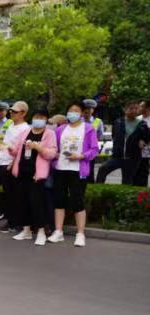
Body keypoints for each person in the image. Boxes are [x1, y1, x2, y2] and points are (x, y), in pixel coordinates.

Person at [49, 102, 99, 247]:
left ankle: (80, 234)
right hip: (60, 168)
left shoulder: (88, 129)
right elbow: (55, 147)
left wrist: (81, 156)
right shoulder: (61, 129)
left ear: (82, 113)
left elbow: (95, 149)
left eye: (76, 111)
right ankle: (58, 232)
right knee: (59, 200)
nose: (73, 113)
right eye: (70, 110)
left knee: (77, 201)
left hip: (78, 170)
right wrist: (55, 154)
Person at [8, 109, 58, 246]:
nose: (38, 119)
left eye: (41, 117)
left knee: (36, 203)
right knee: (22, 202)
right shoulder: (25, 132)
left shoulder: (49, 134)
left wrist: (38, 147)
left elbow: (52, 154)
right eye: (36, 116)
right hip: (22, 172)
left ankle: (41, 232)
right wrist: (8, 148)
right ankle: (26, 230)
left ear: (46, 119)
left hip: (37, 175)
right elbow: (16, 150)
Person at [0, 102, 31, 235]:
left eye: (15, 112)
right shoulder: (10, 125)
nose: (12, 114)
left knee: (13, 196)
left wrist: (13, 163)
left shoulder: (26, 129)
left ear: (23, 113)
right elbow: (5, 144)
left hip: (11, 164)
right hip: (1, 162)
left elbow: (21, 149)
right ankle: (3, 216)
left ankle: (14, 224)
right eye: (11, 111)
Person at [96, 101, 150, 185]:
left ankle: (125, 197)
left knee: (127, 180)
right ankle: (98, 190)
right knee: (103, 169)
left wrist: (143, 141)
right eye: (131, 108)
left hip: (132, 158)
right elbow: (114, 136)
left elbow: (146, 137)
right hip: (117, 156)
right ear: (125, 109)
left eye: (136, 108)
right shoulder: (118, 122)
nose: (134, 111)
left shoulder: (142, 124)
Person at [137, 99, 150, 187]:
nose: (139, 108)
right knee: (134, 177)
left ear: (148, 108)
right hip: (135, 153)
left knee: (143, 177)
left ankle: (142, 198)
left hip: (146, 154)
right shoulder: (137, 119)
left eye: (142, 106)